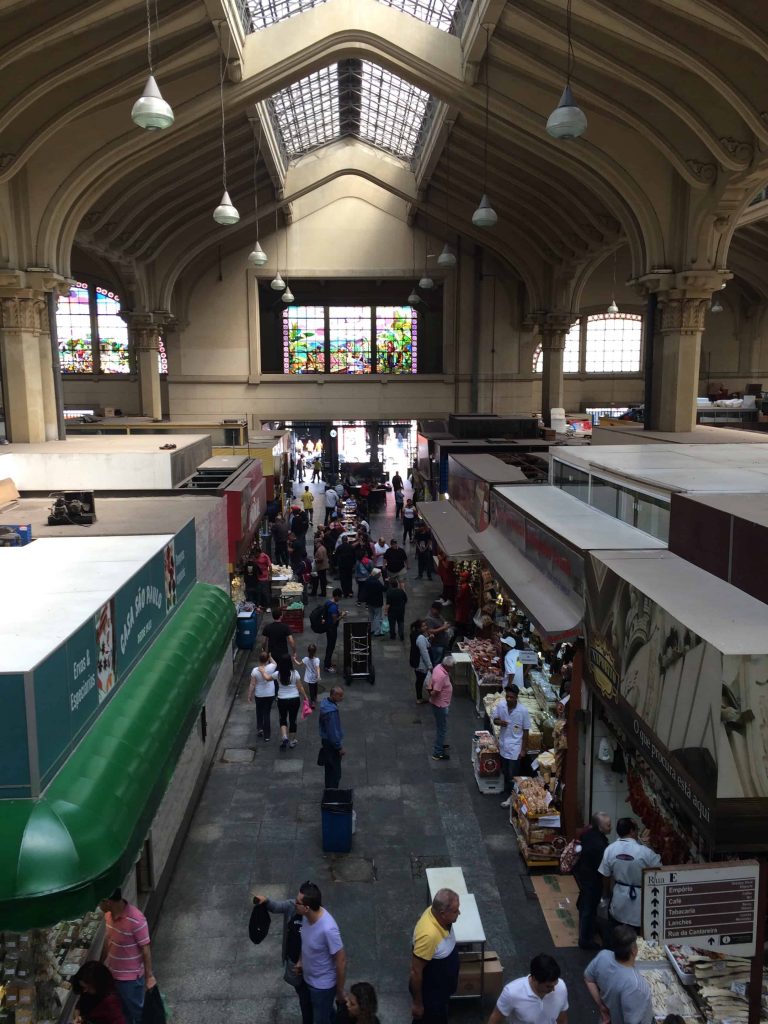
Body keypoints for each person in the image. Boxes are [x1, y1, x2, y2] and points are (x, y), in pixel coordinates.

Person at [254, 882, 345, 1024]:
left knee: (321, 1018)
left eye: (297, 902)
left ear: (307, 908)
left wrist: (339, 993)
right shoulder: (306, 918)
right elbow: (306, 944)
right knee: (318, 1012)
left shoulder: (328, 929)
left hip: (322, 987)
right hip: (308, 979)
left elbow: (341, 960)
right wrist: (301, 961)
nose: (294, 903)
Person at [99, 889, 156, 1024]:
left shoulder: (136, 919)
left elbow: (146, 949)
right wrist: (101, 964)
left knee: (138, 1013)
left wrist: (149, 977)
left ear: (108, 902)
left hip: (131, 979)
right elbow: (109, 941)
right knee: (124, 1013)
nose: (98, 906)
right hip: (114, 975)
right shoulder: (108, 915)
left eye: (100, 902)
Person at [598, 819, 661, 931]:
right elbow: (661, 873)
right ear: (632, 831)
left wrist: (607, 895)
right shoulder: (646, 852)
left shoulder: (610, 849)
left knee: (617, 935)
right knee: (636, 939)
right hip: (639, 903)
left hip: (618, 899)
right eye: (636, 829)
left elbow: (605, 876)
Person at [410, 888, 461, 1024]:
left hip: (441, 991)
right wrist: (418, 1004)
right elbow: (416, 971)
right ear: (443, 914)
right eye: (456, 911)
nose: (459, 913)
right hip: (432, 995)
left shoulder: (438, 915)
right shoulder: (428, 936)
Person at [584, 925, 653, 1024]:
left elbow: (588, 979)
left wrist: (601, 1006)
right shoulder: (636, 986)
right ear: (634, 950)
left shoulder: (603, 956)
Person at [488, 954, 568, 1024]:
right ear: (534, 979)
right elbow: (495, 1019)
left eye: (556, 983)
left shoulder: (561, 987)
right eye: (548, 986)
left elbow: (562, 1017)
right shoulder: (511, 993)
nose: (554, 989)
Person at [573, 812, 612, 950]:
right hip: (592, 879)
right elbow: (603, 867)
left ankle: (588, 930)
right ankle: (585, 939)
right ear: (600, 827)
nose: (610, 827)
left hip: (584, 874)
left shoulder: (589, 835)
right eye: (608, 825)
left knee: (586, 903)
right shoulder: (600, 845)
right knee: (589, 908)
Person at [495, 684, 532, 807]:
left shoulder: (523, 711)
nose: (509, 699)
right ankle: (508, 792)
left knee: (513, 774)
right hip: (504, 744)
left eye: (511, 697)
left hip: (515, 747)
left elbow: (526, 731)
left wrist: (523, 750)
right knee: (505, 771)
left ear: (516, 697)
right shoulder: (501, 706)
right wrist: (500, 722)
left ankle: (512, 797)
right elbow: (495, 719)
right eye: (507, 697)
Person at [276, 660, 309, 750]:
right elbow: (300, 686)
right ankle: (292, 741)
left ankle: (284, 737)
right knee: (292, 720)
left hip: (281, 699)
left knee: (283, 719)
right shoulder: (295, 673)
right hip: (294, 699)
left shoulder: (277, 674)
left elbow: (267, 678)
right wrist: (305, 696)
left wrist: (263, 670)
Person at [428, 654, 454, 761]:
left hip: (440, 704)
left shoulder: (438, 667)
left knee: (441, 727)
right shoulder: (442, 676)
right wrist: (430, 693)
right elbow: (436, 691)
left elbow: (431, 681)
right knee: (441, 729)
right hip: (440, 705)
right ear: (448, 666)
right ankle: (437, 752)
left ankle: (440, 743)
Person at [319, 685, 345, 788]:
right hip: (331, 743)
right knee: (335, 771)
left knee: (329, 768)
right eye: (340, 696)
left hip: (325, 740)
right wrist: (339, 747)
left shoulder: (325, 703)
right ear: (334, 695)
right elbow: (333, 732)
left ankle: (329, 788)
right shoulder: (331, 712)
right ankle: (332, 791)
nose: (342, 698)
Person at [248, 650, 278, 741]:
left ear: (259, 659)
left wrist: (249, 695)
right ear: (267, 659)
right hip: (270, 694)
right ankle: (267, 736)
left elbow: (252, 684)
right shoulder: (272, 667)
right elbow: (274, 663)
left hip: (259, 694)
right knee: (267, 713)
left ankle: (260, 728)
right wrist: (270, 656)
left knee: (259, 711)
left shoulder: (255, 671)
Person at [262, 605, 298, 676]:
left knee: (273, 672)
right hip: (283, 653)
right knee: (284, 672)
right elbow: (291, 641)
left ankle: (275, 685)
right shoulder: (285, 627)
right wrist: (294, 652)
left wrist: (263, 650)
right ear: (281, 616)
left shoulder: (267, 627)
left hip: (272, 654)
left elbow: (264, 641)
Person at [410, 619, 432, 703]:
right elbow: (424, 652)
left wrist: (428, 638)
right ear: (419, 628)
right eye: (423, 626)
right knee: (424, 680)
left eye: (425, 625)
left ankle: (419, 697)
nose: (425, 627)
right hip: (421, 663)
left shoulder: (414, 634)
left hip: (416, 661)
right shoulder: (420, 637)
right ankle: (425, 697)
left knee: (419, 680)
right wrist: (430, 665)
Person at [324, 588, 345, 672]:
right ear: (336, 596)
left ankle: (328, 662)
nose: (340, 599)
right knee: (331, 646)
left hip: (328, 627)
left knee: (330, 645)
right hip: (331, 629)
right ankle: (327, 666)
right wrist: (342, 616)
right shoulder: (333, 607)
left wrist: (339, 612)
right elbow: (334, 620)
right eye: (339, 597)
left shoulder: (329, 602)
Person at [363, 567, 386, 636]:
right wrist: (386, 582)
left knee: (371, 616)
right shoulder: (377, 582)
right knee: (377, 616)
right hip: (377, 602)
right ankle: (377, 631)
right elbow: (384, 589)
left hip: (369, 601)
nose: (380, 575)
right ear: (377, 574)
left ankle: (371, 629)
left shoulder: (367, 580)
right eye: (379, 574)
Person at [384, 576, 408, 641]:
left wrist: (385, 612)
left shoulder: (389, 592)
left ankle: (393, 636)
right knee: (401, 622)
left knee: (392, 623)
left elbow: (388, 604)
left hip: (392, 611)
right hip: (401, 610)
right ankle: (401, 634)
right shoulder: (401, 591)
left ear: (391, 585)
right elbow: (405, 600)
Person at [301, 642, 322, 707]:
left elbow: (299, 664)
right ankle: (314, 698)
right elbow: (317, 668)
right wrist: (318, 675)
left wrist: (294, 659)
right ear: (315, 651)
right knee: (315, 687)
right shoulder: (317, 660)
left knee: (311, 689)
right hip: (315, 677)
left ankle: (312, 701)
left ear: (308, 651)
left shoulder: (305, 659)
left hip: (309, 677)